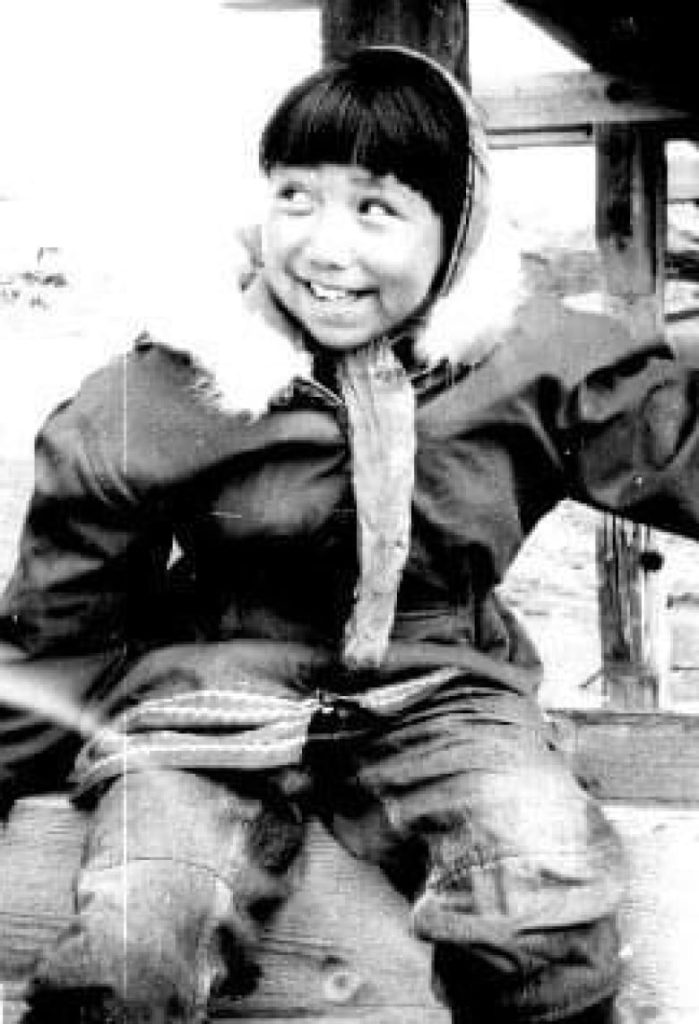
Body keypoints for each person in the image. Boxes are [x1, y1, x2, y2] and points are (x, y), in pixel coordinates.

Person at [5, 43, 693, 1023]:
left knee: (541, 905)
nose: (326, 248)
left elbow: (672, 442)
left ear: (455, 231)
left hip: (445, 688)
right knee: (133, 939)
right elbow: (60, 616)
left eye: (375, 209)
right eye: (296, 197)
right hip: (212, 701)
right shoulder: (179, 382)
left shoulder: (523, 361)